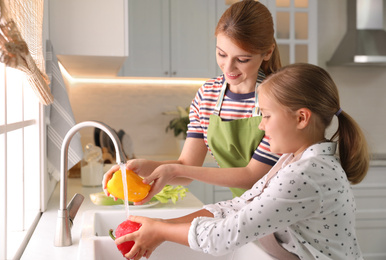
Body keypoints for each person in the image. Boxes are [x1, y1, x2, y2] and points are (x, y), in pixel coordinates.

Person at [113, 63, 370, 260]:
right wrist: (162, 227)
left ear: (301, 118)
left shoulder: (307, 175)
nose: (261, 124)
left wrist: (160, 231)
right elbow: (237, 206)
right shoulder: (292, 160)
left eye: (267, 116)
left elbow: (223, 236)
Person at [103, 0, 282, 203]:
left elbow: (253, 177)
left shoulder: (279, 98)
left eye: (242, 59)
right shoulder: (208, 95)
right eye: (222, 54)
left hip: (288, 214)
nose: (228, 68)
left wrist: (175, 169)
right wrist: (143, 167)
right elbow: (187, 167)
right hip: (249, 212)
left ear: (267, 52)